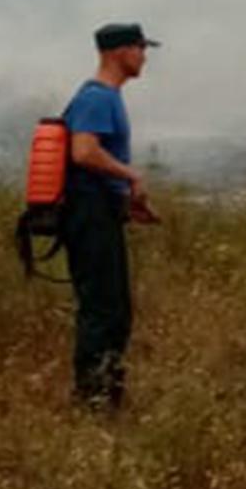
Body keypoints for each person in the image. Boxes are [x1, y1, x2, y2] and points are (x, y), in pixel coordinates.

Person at [60, 22, 159, 410]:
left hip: (100, 212)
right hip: (88, 215)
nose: (144, 56)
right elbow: (83, 152)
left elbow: (92, 163)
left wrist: (128, 202)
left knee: (115, 309)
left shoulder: (109, 97)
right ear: (120, 51)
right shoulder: (97, 97)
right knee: (102, 309)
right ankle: (93, 401)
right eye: (140, 48)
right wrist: (131, 174)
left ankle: (107, 395)